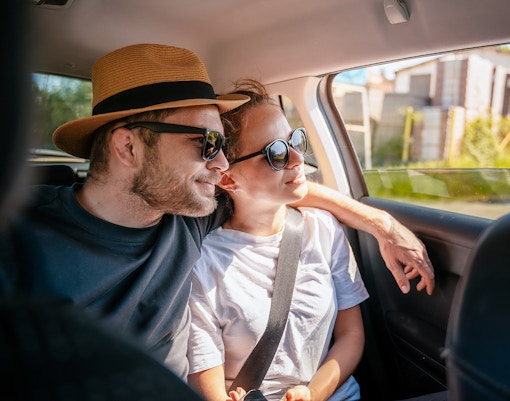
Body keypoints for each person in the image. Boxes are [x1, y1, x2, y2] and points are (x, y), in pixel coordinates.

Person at [0, 44, 433, 380]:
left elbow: (288, 190)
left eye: (223, 148)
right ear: (128, 146)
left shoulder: (189, 216)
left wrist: (384, 225)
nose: (222, 165)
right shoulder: (19, 235)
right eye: (205, 145)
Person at [187, 80, 368, 401]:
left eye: (295, 140)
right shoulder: (203, 262)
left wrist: (313, 394)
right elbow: (206, 373)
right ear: (227, 178)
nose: (298, 158)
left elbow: (351, 334)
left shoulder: (324, 229)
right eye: (277, 153)